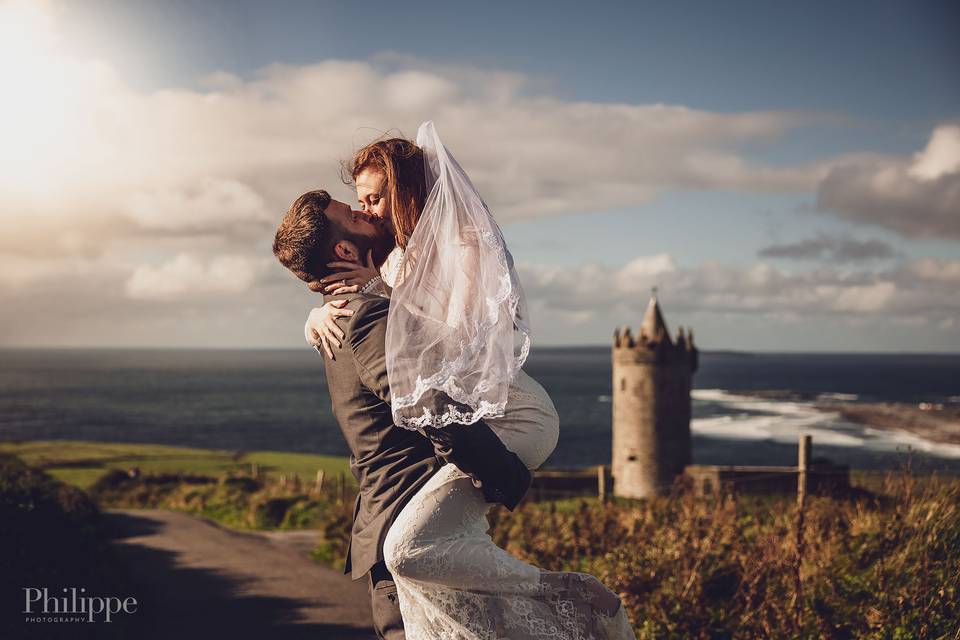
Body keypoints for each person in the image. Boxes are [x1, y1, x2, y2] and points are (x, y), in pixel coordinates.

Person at [302, 123, 636, 639]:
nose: (365, 211)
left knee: (409, 548)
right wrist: (318, 310)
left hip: (514, 415)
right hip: (474, 418)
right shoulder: (394, 260)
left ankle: (580, 596)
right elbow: (371, 309)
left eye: (372, 199)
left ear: (404, 193)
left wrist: (371, 297)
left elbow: (455, 343)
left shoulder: (462, 245)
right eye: (359, 203)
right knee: (447, 567)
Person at [273, 189, 534, 639]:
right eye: (350, 212)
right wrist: (506, 475)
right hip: (405, 519)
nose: (361, 210)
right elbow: (427, 408)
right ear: (343, 250)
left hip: (402, 517)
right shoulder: (365, 317)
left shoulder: (355, 310)